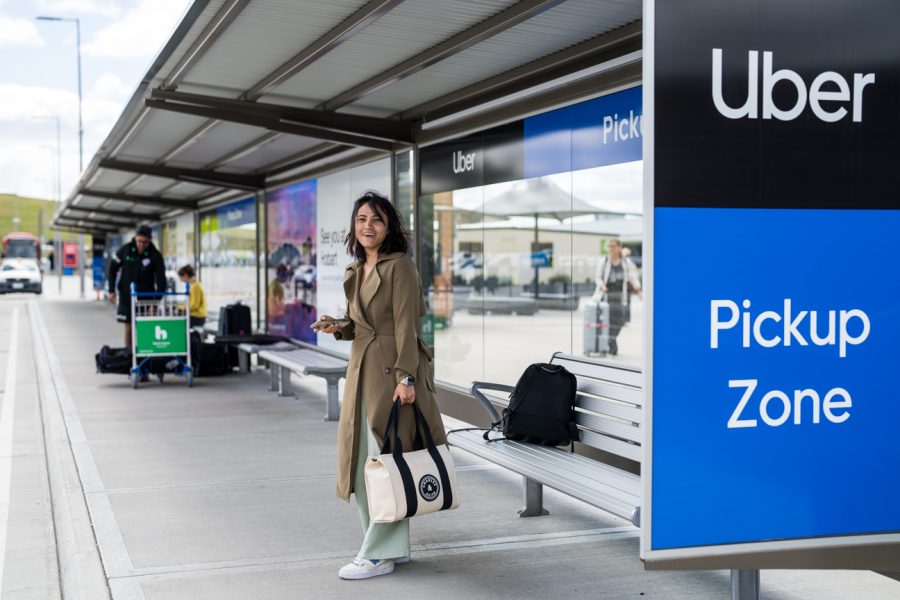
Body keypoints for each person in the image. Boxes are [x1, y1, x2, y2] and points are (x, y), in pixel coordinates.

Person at [317, 191, 446, 581]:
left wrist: (407, 378)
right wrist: (339, 326)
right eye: (361, 220)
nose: (367, 226)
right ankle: (391, 547)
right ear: (353, 228)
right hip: (361, 371)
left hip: (392, 374)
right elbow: (362, 325)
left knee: (387, 460)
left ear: (388, 227)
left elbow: (407, 325)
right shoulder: (357, 269)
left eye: (376, 219)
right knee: (361, 465)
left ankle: (377, 554)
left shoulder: (400, 267)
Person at [108, 225, 166, 347]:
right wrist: (111, 290)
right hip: (126, 296)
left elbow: (161, 282)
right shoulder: (125, 250)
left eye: (145, 242)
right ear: (135, 238)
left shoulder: (155, 255)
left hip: (146, 297)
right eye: (139, 241)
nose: (141, 245)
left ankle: (144, 357)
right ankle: (129, 356)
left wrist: (155, 303)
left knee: (144, 329)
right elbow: (112, 268)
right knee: (128, 328)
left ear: (150, 240)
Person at [592, 238, 642, 356]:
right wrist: (602, 285)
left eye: (613, 246)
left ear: (619, 247)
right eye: (609, 246)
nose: (611, 248)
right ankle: (611, 346)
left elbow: (633, 277)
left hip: (620, 296)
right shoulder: (604, 261)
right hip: (606, 296)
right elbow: (597, 277)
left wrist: (639, 290)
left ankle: (611, 341)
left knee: (619, 322)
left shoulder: (626, 262)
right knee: (606, 322)